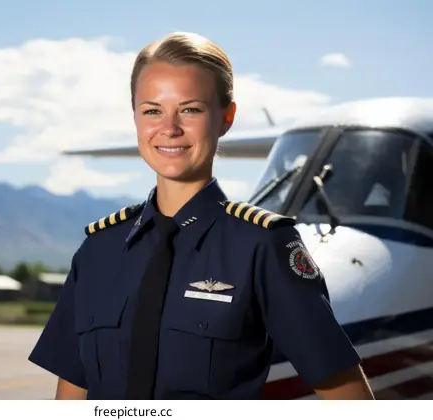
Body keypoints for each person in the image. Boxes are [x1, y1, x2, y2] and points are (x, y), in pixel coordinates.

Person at [28, 31, 374, 400]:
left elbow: (349, 398)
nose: (169, 128)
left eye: (190, 109)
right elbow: (72, 394)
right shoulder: (100, 250)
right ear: (135, 117)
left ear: (226, 118)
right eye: (152, 110)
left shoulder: (261, 245)